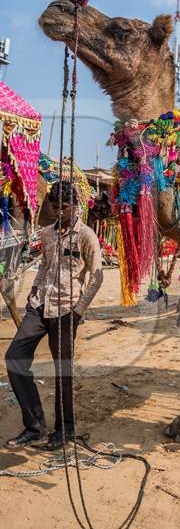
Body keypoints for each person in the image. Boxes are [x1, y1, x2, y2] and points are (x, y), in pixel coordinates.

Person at [5, 181, 103, 449]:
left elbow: (96, 277)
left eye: (65, 207)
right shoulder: (47, 234)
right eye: (55, 207)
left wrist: (78, 311)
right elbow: (43, 266)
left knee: (63, 371)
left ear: (76, 205)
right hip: (39, 307)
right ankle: (34, 427)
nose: (60, 212)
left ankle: (65, 430)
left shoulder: (86, 236)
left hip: (66, 310)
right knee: (14, 357)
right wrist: (34, 293)